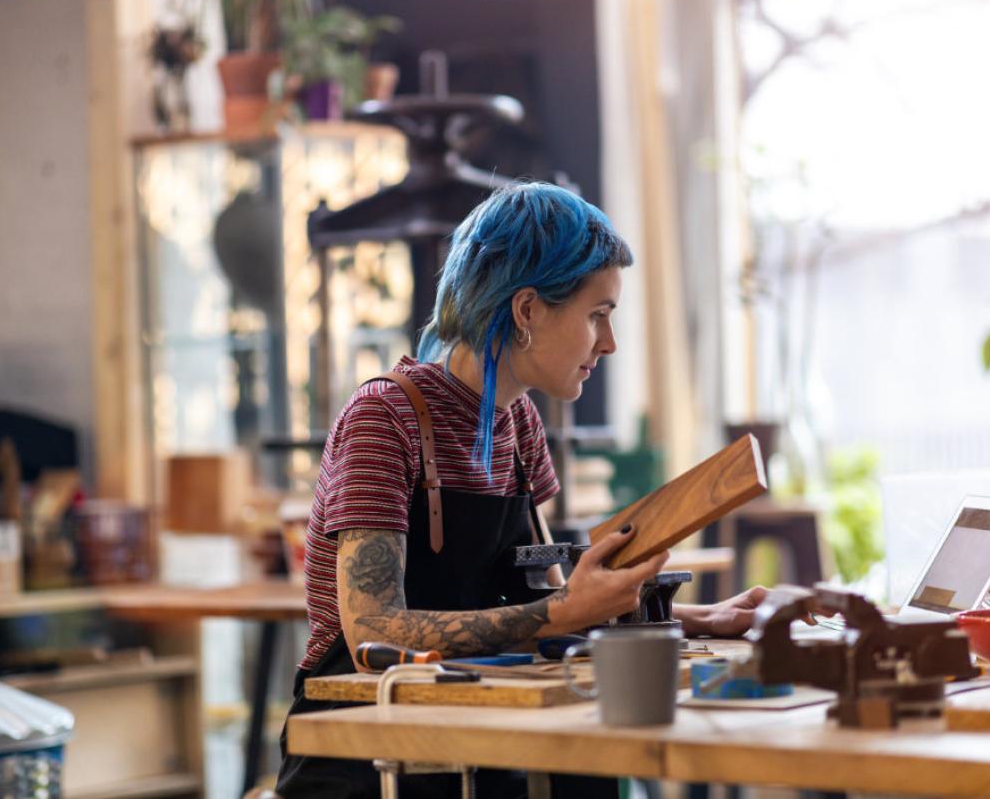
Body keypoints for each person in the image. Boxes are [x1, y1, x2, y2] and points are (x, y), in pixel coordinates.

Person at [276, 182, 768, 798]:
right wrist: (566, 611)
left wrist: (702, 619)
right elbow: (373, 632)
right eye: (597, 316)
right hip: (366, 750)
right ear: (528, 310)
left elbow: (548, 607)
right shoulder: (385, 418)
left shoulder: (518, 424)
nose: (608, 344)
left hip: (471, 731)